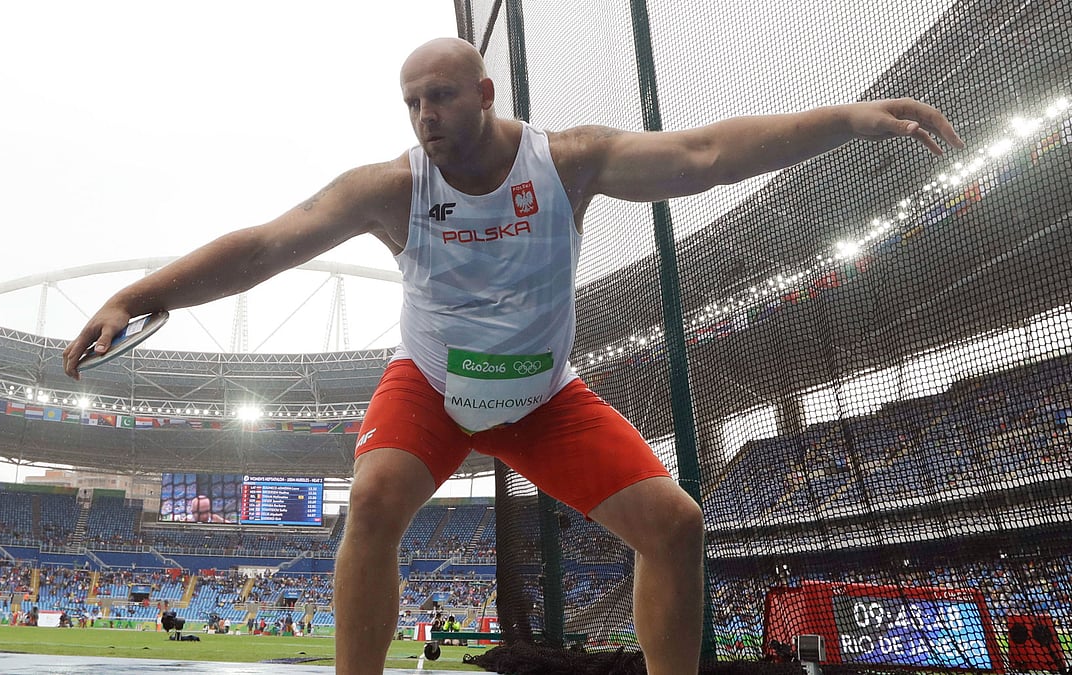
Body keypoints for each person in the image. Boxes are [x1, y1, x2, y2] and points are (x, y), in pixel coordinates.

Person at [63, 37, 963, 675]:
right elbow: (265, 248)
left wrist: (847, 118)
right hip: (432, 383)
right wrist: (139, 297)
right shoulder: (389, 189)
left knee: (678, 525)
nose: (425, 116)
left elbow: (707, 152)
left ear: (485, 93)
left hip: (543, 395)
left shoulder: (567, 162)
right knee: (373, 498)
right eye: (412, 102)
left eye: (441, 97)